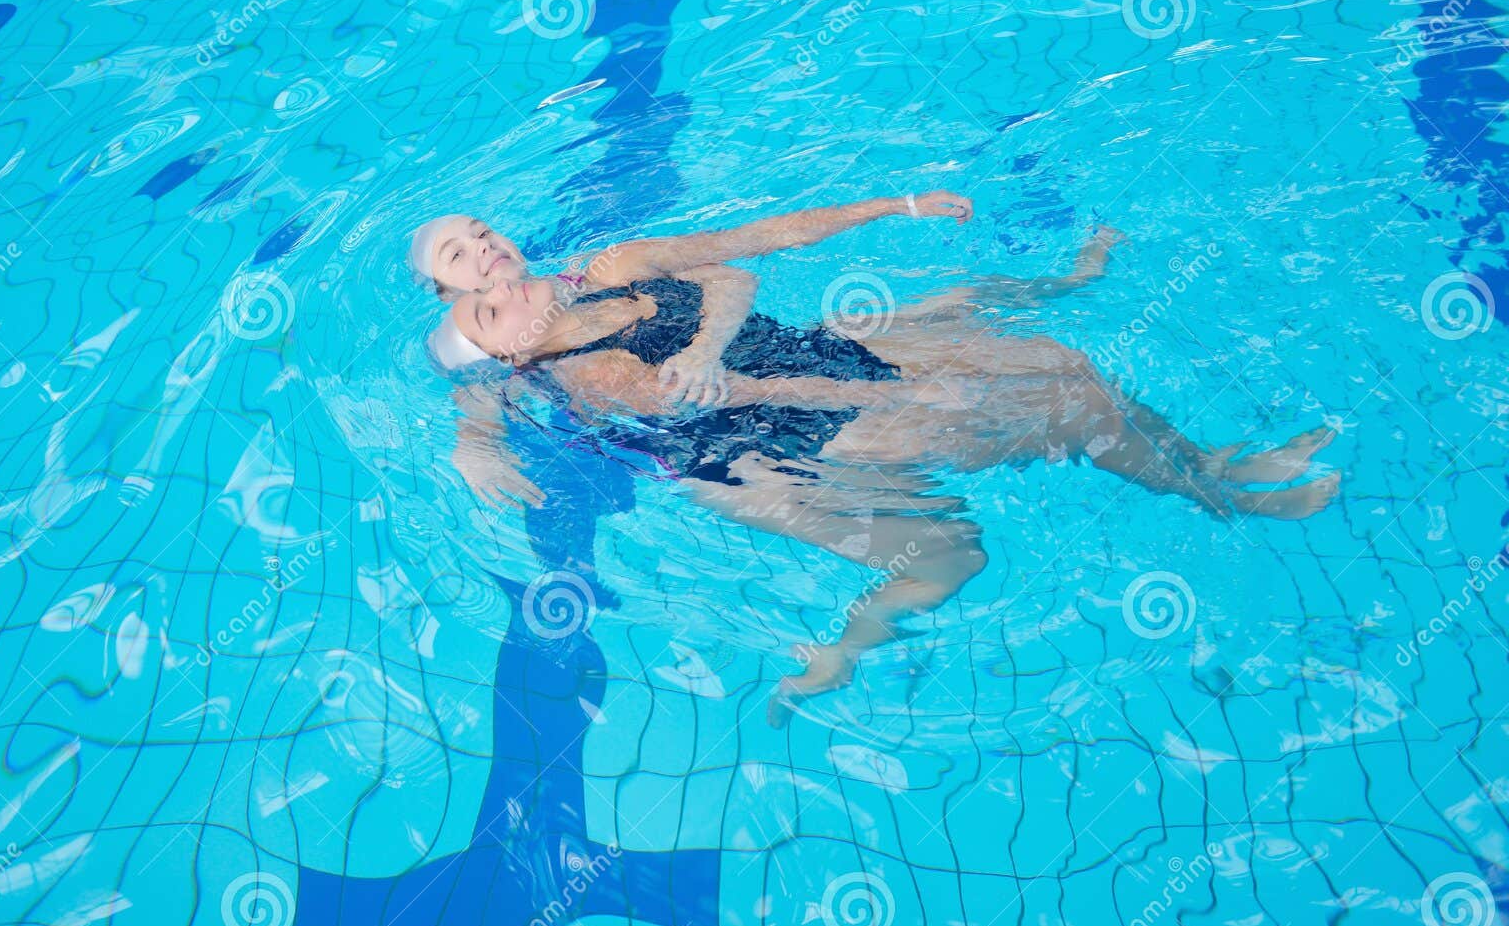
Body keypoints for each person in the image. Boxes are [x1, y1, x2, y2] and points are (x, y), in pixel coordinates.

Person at [432, 252, 1339, 724]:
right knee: (992, 499)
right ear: (505, 344)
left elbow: (733, 272)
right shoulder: (583, 371)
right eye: (482, 294)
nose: (499, 273)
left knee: (1054, 363)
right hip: (780, 438)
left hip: (793, 369)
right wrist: (885, 390)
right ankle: (1230, 496)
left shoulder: (582, 296)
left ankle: (1210, 466)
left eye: (491, 265)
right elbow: (745, 395)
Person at [409, 192, 978, 506]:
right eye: (457, 256)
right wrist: (474, 450)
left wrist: (895, 204)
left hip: (759, 366)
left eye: (482, 231)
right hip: (726, 437)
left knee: (975, 320)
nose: (483, 250)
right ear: (444, 295)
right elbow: (475, 406)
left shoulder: (597, 270)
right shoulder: (512, 359)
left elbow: (752, 242)